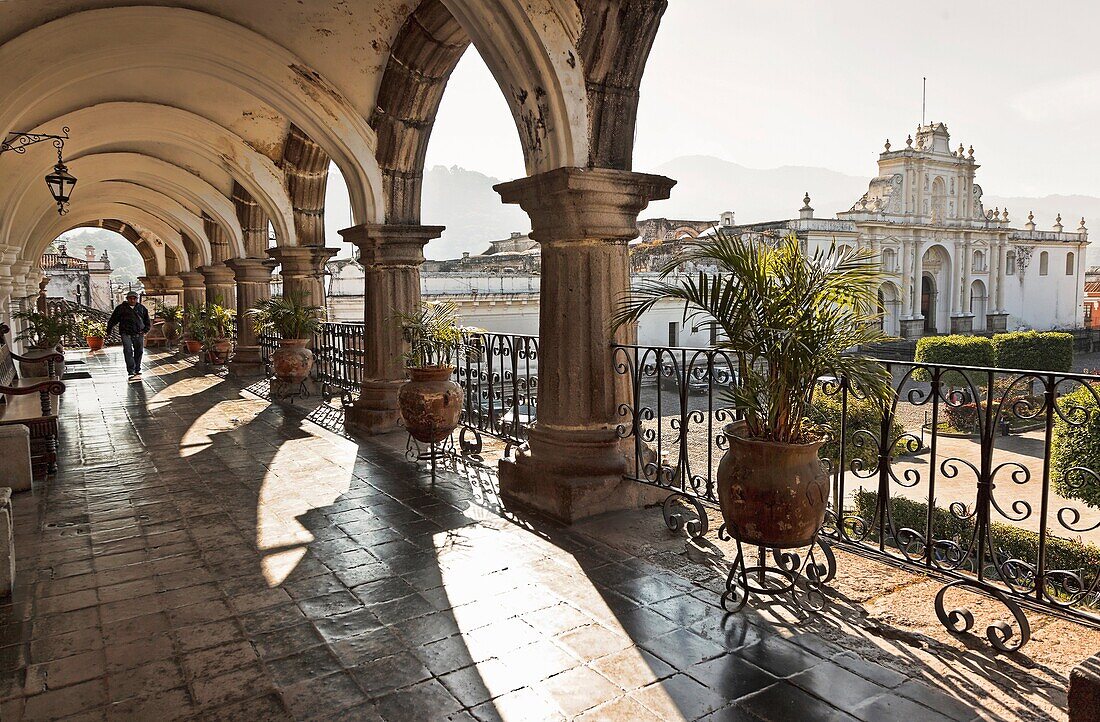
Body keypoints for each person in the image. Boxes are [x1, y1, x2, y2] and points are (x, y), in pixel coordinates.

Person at [106, 292, 151, 377]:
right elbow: (113, 320)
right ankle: (131, 369)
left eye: (134, 298)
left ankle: (137, 368)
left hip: (139, 333)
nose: (132, 300)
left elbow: (147, 321)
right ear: (127, 299)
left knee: (139, 351)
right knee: (128, 350)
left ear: (137, 299)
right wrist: (109, 331)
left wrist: (145, 330)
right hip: (125, 333)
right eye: (130, 298)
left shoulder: (141, 308)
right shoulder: (121, 308)